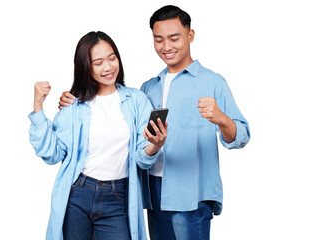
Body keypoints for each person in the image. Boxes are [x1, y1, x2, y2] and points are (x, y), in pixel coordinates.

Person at [59, 5, 250, 240]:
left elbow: (241, 136)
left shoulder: (213, 82)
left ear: (190, 36)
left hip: (191, 194)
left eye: (174, 38)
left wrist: (221, 118)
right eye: (159, 39)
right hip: (152, 192)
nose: (166, 46)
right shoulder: (148, 88)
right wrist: (73, 100)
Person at [29, 31, 168, 240]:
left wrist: (155, 145)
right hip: (78, 194)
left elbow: (142, 158)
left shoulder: (136, 100)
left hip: (118, 196)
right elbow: (53, 155)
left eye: (112, 58)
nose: (108, 67)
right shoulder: (74, 105)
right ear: (86, 67)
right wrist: (38, 108)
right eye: (98, 62)